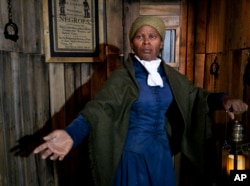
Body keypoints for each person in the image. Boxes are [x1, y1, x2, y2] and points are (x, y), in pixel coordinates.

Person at [33, 16, 248, 186]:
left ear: (161, 41)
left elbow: (195, 97)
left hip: (161, 155)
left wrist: (223, 100)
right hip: (132, 157)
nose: (146, 42)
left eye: (152, 36)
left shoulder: (170, 76)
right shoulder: (123, 77)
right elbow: (98, 109)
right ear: (132, 43)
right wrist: (72, 133)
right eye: (140, 36)